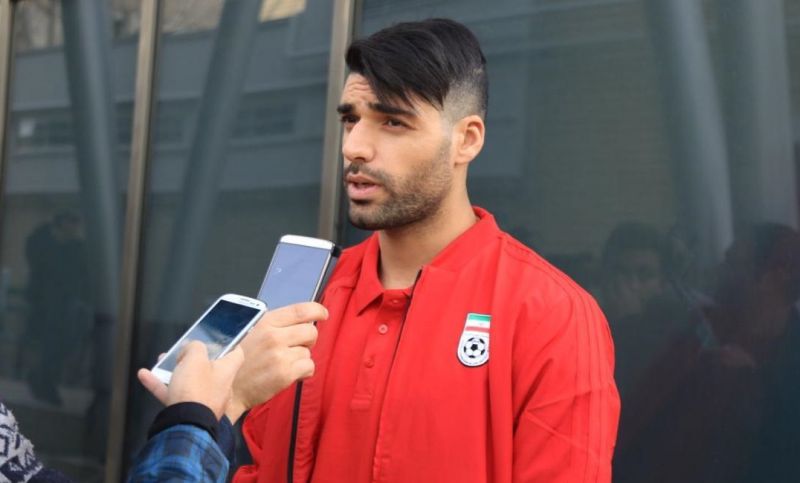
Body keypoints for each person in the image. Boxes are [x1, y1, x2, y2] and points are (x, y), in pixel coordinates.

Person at [226, 18, 619, 482]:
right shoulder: (307, 294)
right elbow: (256, 467)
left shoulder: (553, 314)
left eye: (393, 122)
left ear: (466, 140)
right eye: (351, 119)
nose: (354, 147)